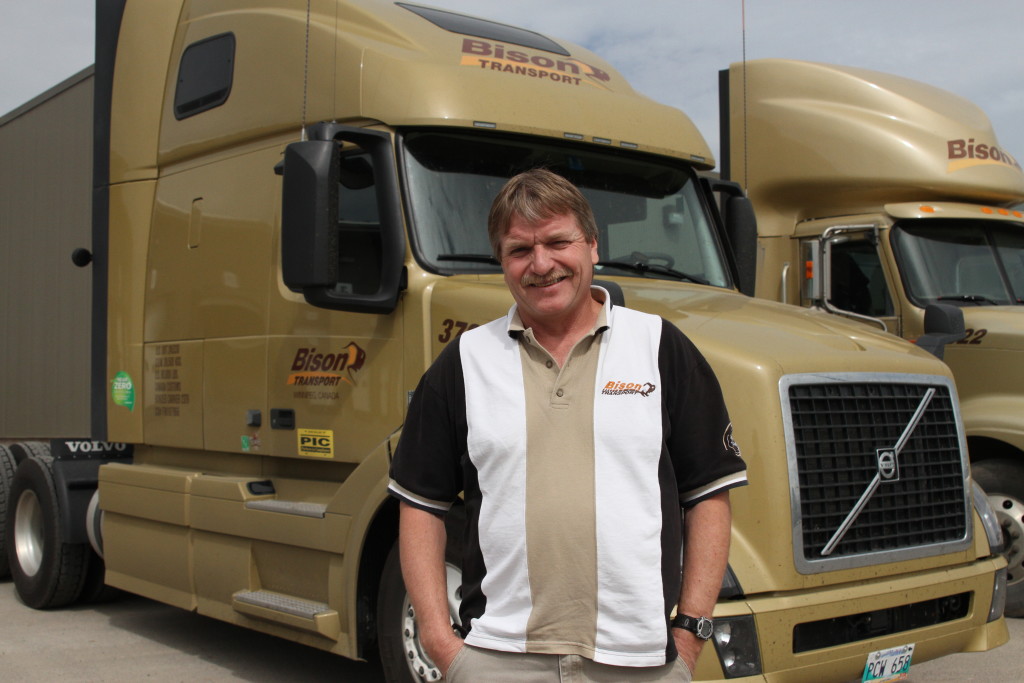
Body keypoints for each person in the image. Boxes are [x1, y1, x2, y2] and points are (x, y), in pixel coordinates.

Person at [387, 168, 748, 682]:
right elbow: (420, 504)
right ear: (502, 262)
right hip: (497, 658)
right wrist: (439, 640)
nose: (541, 264)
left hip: (639, 661)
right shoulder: (464, 362)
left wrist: (690, 633)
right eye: (519, 250)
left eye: (558, 241)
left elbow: (708, 495)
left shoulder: (660, 348)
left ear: (593, 246)